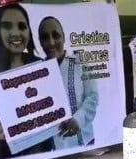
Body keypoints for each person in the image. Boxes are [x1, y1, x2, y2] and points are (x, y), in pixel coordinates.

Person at [0, 1, 54, 159]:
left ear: (29, 31)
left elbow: (54, 102)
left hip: (42, 147)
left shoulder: (41, 66)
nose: (16, 33)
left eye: (22, 26)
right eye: (7, 26)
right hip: (5, 150)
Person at [38, 17, 99, 150]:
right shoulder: (36, 72)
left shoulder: (80, 63)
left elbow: (92, 97)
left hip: (84, 141)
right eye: (45, 37)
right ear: (40, 42)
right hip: (51, 147)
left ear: (64, 37)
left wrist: (77, 120)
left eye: (56, 35)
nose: (51, 42)